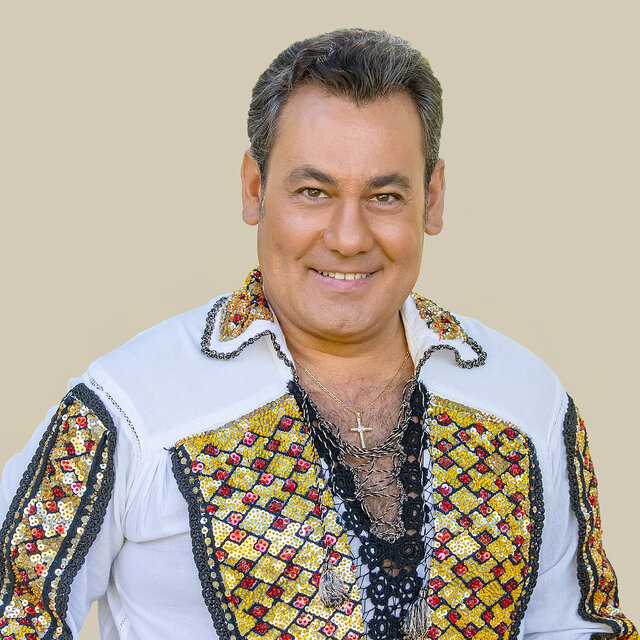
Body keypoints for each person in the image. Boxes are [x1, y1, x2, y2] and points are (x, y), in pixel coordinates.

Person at [0, 28, 635, 640]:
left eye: (385, 197)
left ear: (433, 198)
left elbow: (581, 627)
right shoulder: (133, 407)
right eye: (313, 191)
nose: (349, 237)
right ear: (255, 189)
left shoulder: (525, 402)